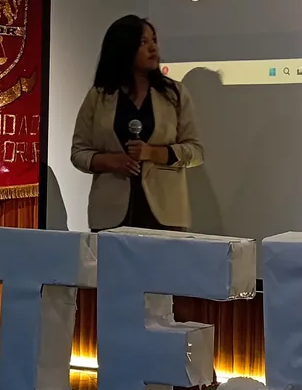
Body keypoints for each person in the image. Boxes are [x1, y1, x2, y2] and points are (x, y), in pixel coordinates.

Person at [70, 15, 204, 231]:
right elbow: (79, 152)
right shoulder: (99, 96)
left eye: (154, 40)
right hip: (110, 214)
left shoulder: (175, 94)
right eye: (143, 42)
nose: (153, 48)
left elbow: (196, 151)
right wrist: (111, 162)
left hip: (165, 214)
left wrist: (153, 153)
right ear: (123, 48)